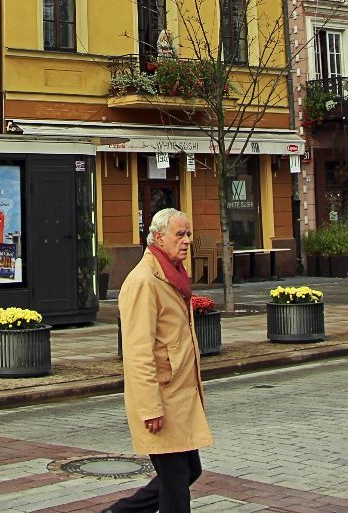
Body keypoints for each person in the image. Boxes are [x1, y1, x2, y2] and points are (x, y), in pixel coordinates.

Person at [104, 207, 211, 513]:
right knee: (176, 482)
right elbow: (137, 353)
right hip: (161, 399)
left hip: (179, 397)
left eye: (188, 233)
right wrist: (150, 407)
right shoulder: (144, 281)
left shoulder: (173, 273)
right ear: (159, 237)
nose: (187, 240)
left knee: (189, 471)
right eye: (180, 234)